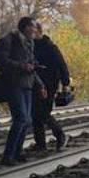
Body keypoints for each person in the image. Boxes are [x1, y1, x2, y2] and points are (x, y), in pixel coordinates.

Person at [0, 17, 46, 166]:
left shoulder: (30, 43)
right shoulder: (8, 40)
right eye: (33, 27)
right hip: (13, 84)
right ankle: (8, 155)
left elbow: (31, 66)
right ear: (25, 27)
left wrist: (41, 85)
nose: (35, 30)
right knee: (21, 118)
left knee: (27, 120)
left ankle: (17, 152)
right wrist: (22, 66)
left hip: (27, 84)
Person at [33, 23, 71, 152]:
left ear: (39, 31)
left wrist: (65, 83)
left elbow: (62, 65)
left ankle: (60, 135)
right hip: (35, 84)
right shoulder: (29, 46)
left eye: (33, 31)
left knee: (43, 113)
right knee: (35, 114)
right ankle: (40, 144)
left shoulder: (50, 47)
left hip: (49, 84)